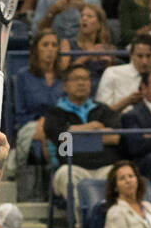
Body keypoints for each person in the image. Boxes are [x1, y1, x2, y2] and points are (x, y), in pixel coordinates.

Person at [43, 61, 121, 205]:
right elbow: (62, 139)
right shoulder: (55, 113)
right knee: (65, 175)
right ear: (65, 86)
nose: (81, 83)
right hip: (73, 167)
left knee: (122, 174)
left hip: (105, 166)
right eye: (76, 79)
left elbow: (114, 137)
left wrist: (75, 133)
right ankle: (82, 223)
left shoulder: (103, 110)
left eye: (85, 79)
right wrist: (93, 127)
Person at [11, 27, 65, 174]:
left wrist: (49, 123)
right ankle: (54, 175)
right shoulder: (23, 76)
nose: (50, 49)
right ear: (36, 49)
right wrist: (41, 123)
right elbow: (20, 114)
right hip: (31, 126)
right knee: (48, 135)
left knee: (63, 134)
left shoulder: (64, 77)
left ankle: (58, 175)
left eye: (54, 45)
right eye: (45, 45)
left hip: (61, 125)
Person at [95, 32, 151, 112]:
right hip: (119, 122)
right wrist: (127, 101)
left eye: (148, 56)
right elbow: (101, 114)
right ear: (131, 55)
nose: (144, 61)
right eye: (140, 56)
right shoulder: (112, 73)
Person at [60, 4, 114, 83]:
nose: (84, 18)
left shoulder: (104, 47)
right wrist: (87, 55)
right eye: (82, 16)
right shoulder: (67, 43)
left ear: (99, 24)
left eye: (89, 16)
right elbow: (63, 72)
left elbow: (109, 76)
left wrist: (108, 63)